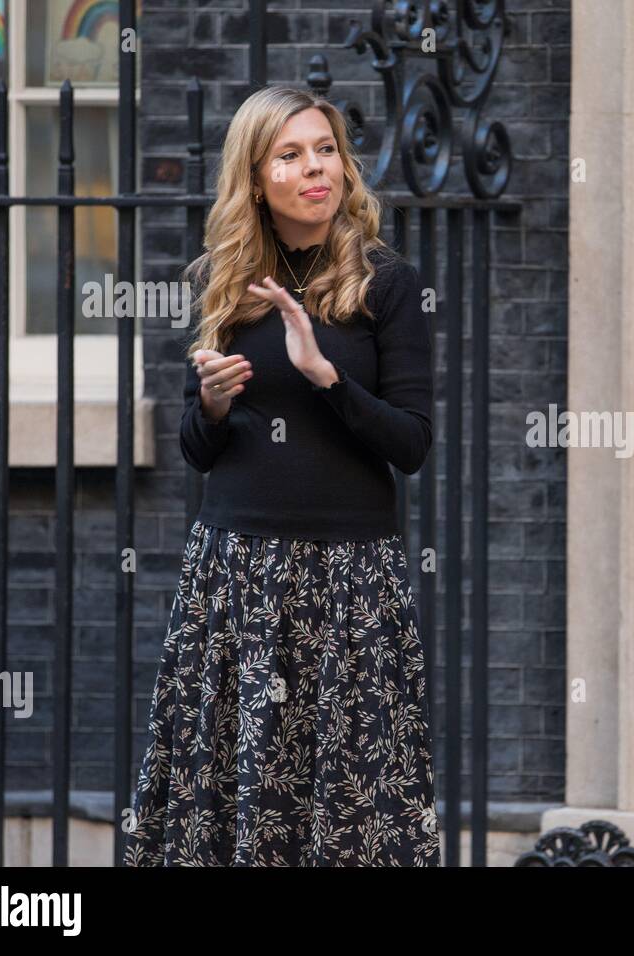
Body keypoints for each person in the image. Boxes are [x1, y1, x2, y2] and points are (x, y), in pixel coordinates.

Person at [123, 86, 440, 866]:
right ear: (257, 177)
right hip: (239, 571)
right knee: (238, 789)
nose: (315, 169)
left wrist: (325, 376)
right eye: (291, 156)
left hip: (349, 580)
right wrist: (212, 402)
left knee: (352, 799)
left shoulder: (387, 283)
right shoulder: (224, 278)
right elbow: (198, 450)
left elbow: (413, 443)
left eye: (325, 149)